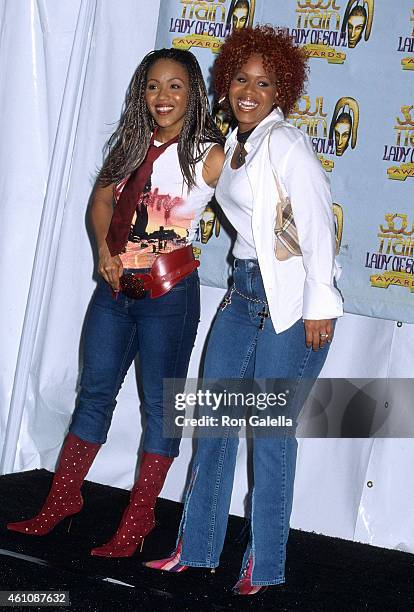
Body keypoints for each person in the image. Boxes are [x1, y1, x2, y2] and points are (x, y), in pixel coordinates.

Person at [145, 26, 343, 594]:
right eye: (240, 78)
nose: (249, 91)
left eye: (264, 82)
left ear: (282, 89)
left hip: (293, 300)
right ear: (226, 80)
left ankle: (265, 565)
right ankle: (197, 548)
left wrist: (319, 305)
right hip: (243, 293)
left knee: (269, 431)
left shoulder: (286, 144)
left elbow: (318, 225)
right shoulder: (233, 145)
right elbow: (182, 203)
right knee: (214, 421)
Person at [7, 48, 224, 558]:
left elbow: (252, 199)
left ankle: (139, 519)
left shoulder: (210, 154)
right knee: (95, 393)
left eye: (175, 85)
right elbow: (102, 200)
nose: (162, 96)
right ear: (140, 92)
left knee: (160, 408)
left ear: (193, 91)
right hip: (114, 290)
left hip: (168, 296)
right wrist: (104, 252)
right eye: (152, 86)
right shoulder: (130, 142)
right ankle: (62, 500)